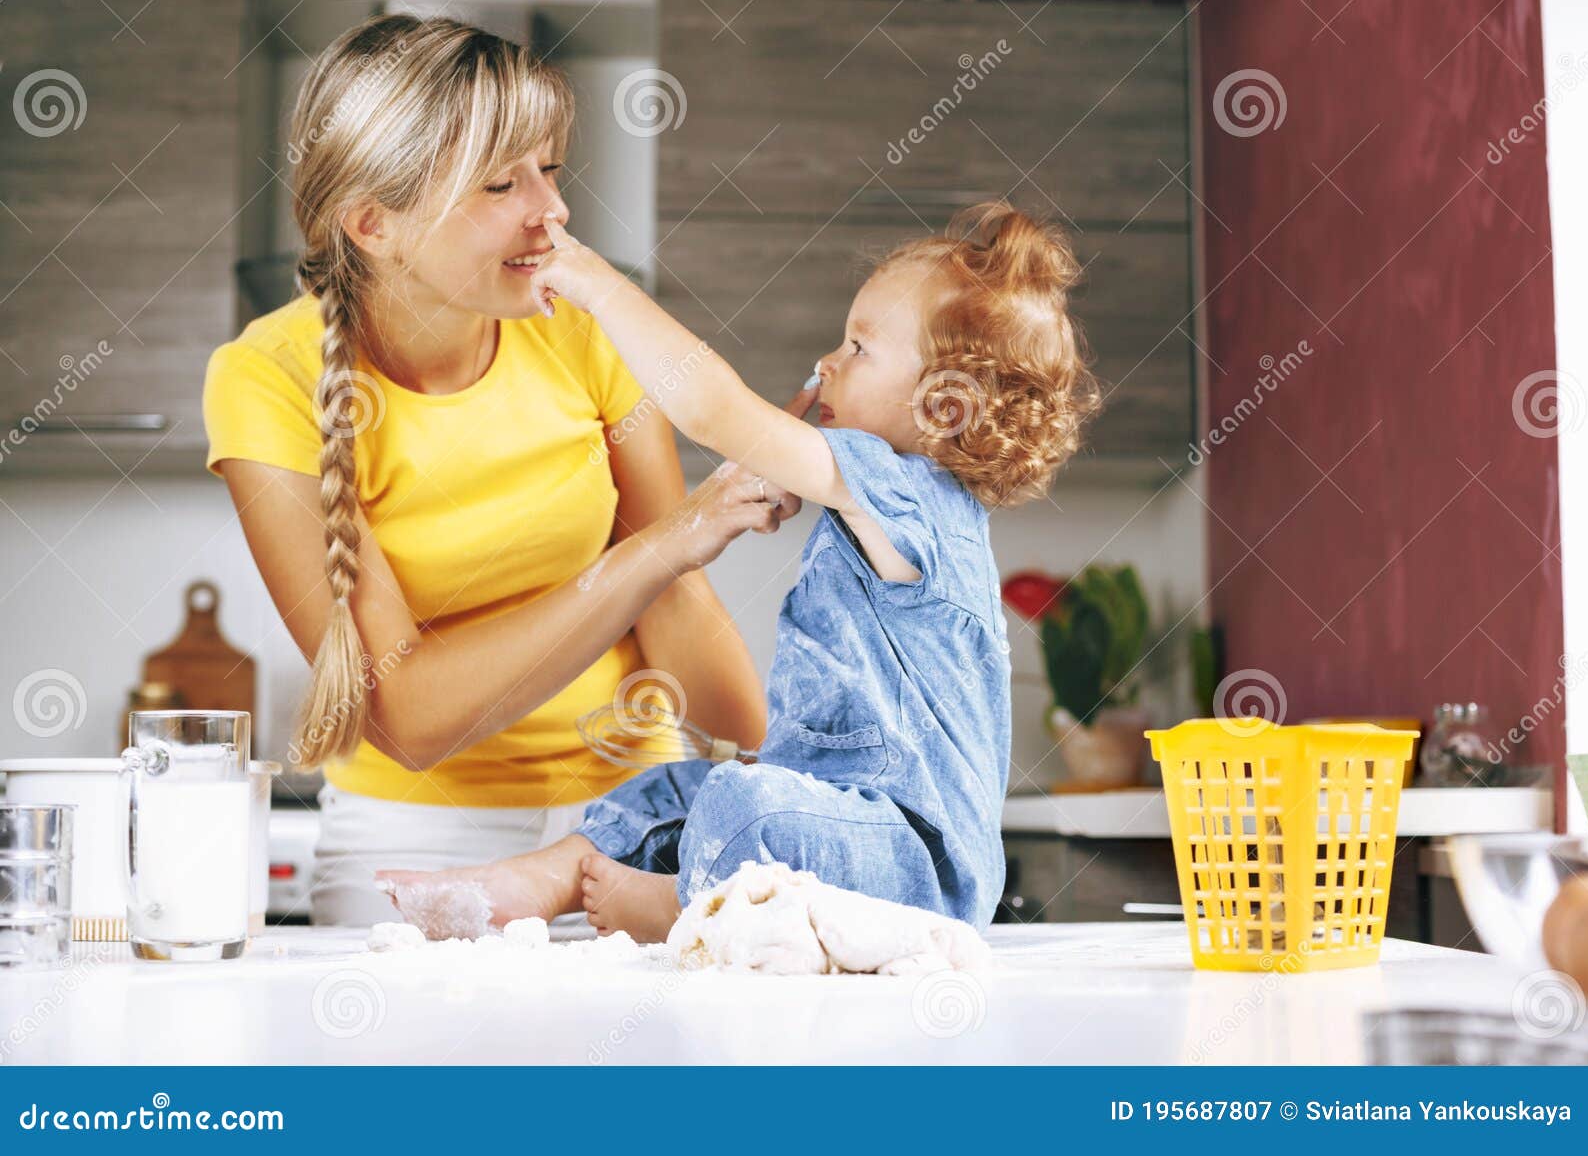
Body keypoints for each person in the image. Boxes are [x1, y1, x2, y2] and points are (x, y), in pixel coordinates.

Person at [203, 14, 799, 926]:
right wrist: (665, 545)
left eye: (549, 169)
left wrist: (798, 797)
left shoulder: (581, 328)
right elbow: (405, 714)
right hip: (411, 846)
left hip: (628, 832)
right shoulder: (267, 379)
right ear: (374, 222)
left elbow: (679, 601)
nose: (551, 210)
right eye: (500, 182)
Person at [380, 201, 1102, 939]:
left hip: (913, 865)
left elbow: (714, 409)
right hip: (836, 818)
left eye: (858, 348)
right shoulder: (882, 505)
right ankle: (548, 873)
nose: (826, 364)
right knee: (675, 783)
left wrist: (595, 284)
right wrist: (777, 455)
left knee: (741, 802)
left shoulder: (912, 495)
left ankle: (687, 906)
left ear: (944, 405)